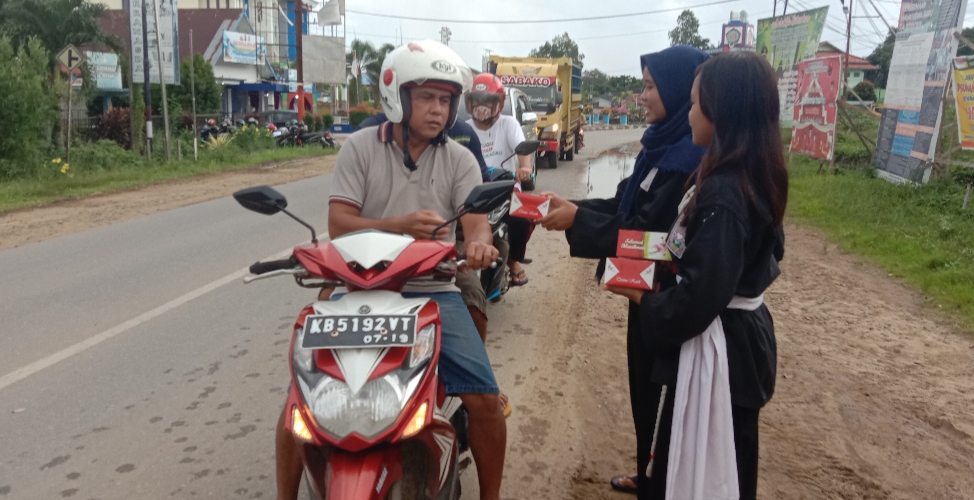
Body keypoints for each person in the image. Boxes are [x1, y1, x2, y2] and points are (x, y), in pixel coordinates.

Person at [274, 40, 507, 500]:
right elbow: (339, 223)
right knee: (299, 403)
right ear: (397, 96)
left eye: (446, 100)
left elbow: (476, 223)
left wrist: (480, 245)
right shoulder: (360, 148)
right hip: (358, 285)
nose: (438, 109)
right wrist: (399, 226)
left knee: (484, 399)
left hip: (433, 287)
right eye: (426, 97)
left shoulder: (460, 158)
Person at [604, 51, 786, 499]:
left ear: (722, 111)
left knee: (709, 465)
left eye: (695, 103)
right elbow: (699, 252)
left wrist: (644, 297)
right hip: (735, 340)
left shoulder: (724, 193)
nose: (688, 113)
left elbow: (702, 295)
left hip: (721, 351)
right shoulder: (745, 174)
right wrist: (653, 265)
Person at [538, 45, 709, 495]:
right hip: (642, 293)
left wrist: (578, 220)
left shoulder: (689, 162)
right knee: (642, 386)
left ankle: (660, 480)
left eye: (651, 87)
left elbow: (648, 233)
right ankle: (647, 473)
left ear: (678, 91)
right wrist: (573, 208)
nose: (642, 96)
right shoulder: (656, 149)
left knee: (662, 392)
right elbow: (623, 204)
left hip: (665, 297)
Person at [465, 73, 534, 286]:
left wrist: (525, 168)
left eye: (488, 100)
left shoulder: (509, 124)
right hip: (473, 190)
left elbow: (522, 150)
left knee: (524, 218)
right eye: (477, 100)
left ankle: (514, 260)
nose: (481, 106)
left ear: (499, 103)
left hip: (506, 188)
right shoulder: (464, 129)